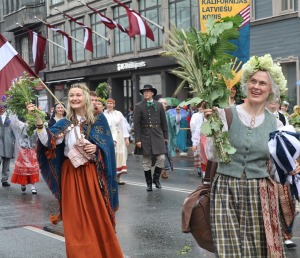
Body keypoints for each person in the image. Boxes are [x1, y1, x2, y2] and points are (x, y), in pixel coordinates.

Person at [27, 84, 123, 258]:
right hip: (71, 175)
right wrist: (39, 122)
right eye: (71, 96)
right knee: (75, 221)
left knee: (98, 217)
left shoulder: (99, 120)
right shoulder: (64, 123)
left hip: (92, 174)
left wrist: (96, 149)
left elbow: (107, 146)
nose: (74, 98)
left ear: (85, 97)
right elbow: (48, 142)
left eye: (78, 95)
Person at [204, 54, 286, 257]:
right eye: (253, 81)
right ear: (246, 84)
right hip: (225, 188)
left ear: (271, 90)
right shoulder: (226, 114)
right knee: (228, 250)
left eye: (263, 83)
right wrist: (213, 129)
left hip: (259, 193)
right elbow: (213, 155)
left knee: (256, 250)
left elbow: (276, 170)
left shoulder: (277, 125)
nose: (257, 86)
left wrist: (290, 168)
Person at [133, 84, 168, 191]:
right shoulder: (138, 106)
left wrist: (166, 136)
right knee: (146, 161)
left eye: (148, 91)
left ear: (152, 93)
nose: (146, 93)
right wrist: (137, 139)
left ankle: (156, 179)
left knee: (161, 158)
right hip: (145, 135)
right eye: (144, 92)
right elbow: (136, 124)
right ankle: (149, 183)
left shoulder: (159, 105)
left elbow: (164, 122)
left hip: (158, 134)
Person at [10, 115, 40, 194]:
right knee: (23, 168)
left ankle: (33, 186)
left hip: (32, 151)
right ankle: (23, 183)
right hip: (23, 150)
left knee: (32, 168)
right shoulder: (21, 126)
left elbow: (37, 137)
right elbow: (14, 120)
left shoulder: (35, 128)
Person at [104, 98, 130, 185]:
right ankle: (110, 177)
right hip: (108, 136)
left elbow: (124, 125)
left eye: (111, 103)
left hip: (119, 137)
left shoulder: (118, 114)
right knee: (111, 155)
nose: (109, 105)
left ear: (114, 105)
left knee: (120, 155)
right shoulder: (103, 114)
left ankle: (119, 178)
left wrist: (126, 138)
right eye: (108, 103)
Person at [157, 98, 177, 178]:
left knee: (166, 154)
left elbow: (173, 122)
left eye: (166, 103)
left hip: (167, 137)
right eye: (165, 103)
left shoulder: (167, 113)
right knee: (160, 155)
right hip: (158, 137)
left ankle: (164, 170)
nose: (166, 105)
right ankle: (160, 170)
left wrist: (178, 114)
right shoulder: (155, 113)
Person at [191, 101, 206, 177]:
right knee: (202, 157)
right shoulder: (199, 116)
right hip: (202, 138)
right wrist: (194, 142)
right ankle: (203, 173)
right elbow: (196, 129)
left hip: (210, 139)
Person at [0, 107, 15, 187]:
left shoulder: (11, 119)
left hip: (8, 143)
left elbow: (14, 131)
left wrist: (13, 141)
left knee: (6, 163)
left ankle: (4, 180)